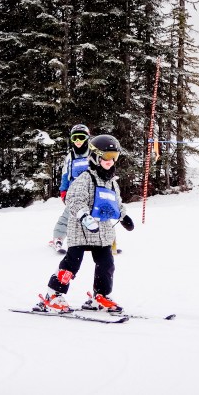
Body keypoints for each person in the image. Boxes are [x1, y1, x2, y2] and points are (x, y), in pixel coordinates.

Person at [35, 134, 135, 313]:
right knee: (72, 264)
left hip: (102, 231)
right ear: (95, 156)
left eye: (114, 157)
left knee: (106, 264)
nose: (110, 161)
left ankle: (101, 296)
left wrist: (123, 216)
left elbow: (115, 203)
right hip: (81, 229)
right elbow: (74, 200)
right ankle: (54, 294)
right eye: (107, 157)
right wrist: (84, 217)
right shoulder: (85, 178)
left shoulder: (111, 182)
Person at [48, 124, 91, 253]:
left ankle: (107, 242)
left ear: (87, 138)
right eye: (75, 138)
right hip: (74, 192)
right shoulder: (70, 157)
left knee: (99, 215)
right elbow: (65, 175)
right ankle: (58, 238)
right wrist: (63, 191)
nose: (78, 141)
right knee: (68, 215)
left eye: (81, 137)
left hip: (91, 190)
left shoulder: (93, 154)